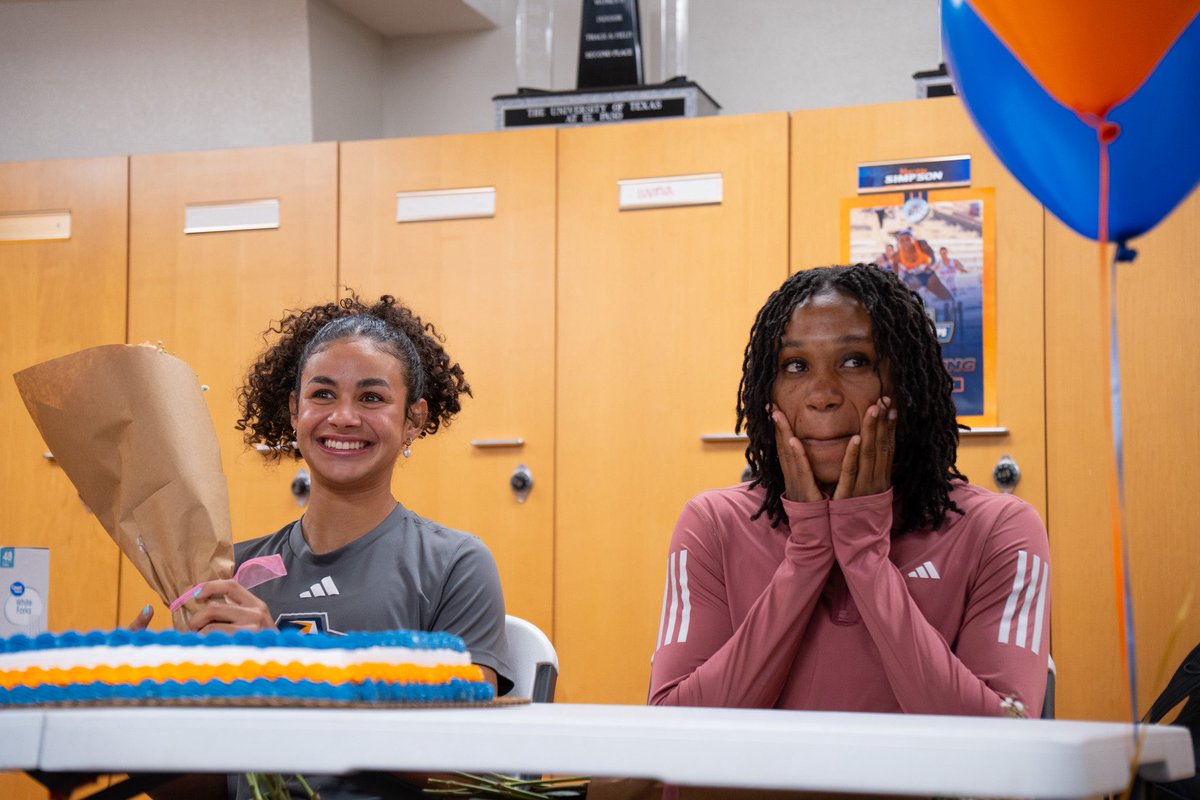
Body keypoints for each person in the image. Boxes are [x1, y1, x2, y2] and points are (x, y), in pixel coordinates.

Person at [136, 294, 512, 799]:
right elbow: (210, 788)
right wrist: (134, 722)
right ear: (295, 411)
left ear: (414, 419)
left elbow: (472, 769)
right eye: (323, 394)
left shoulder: (454, 564)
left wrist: (292, 674)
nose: (344, 417)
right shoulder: (232, 571)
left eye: (372, 398)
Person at [648, 265, 1050, 717]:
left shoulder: (999, 530)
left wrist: (863, 551)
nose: (822, 395)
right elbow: (675, 728)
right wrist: (807, 556)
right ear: (768, 394)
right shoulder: (712, 525)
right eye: (795, 365)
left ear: (906, 384)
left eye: (855, 361)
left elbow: (1001, 742)